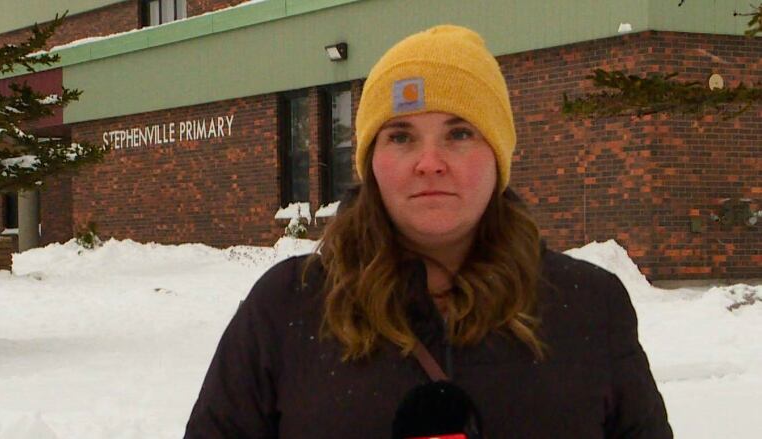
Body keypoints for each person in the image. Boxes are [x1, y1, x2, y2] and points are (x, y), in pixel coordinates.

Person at [184, 25, 672, 438]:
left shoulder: (589, 305)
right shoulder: (287, 305)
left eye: (459, 134)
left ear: (498, 156)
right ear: (371, 161)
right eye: (400, 137)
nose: (430, 163)